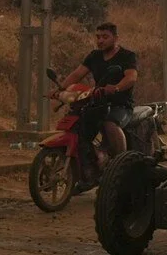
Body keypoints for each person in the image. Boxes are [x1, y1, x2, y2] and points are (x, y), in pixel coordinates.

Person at [57, 22, 137, 185]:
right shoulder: (94, 55)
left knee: (110, 124)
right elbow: (77, 74)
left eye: (105, 37)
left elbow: (131, 77)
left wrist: (116, 88)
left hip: (120, 105)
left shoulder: (127, 56)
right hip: (97, 103)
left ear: (116, 38)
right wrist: (60, 89)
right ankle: (90, 167)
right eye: (98, 37)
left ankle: (121, 167)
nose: (100, 40)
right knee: (78, 127)